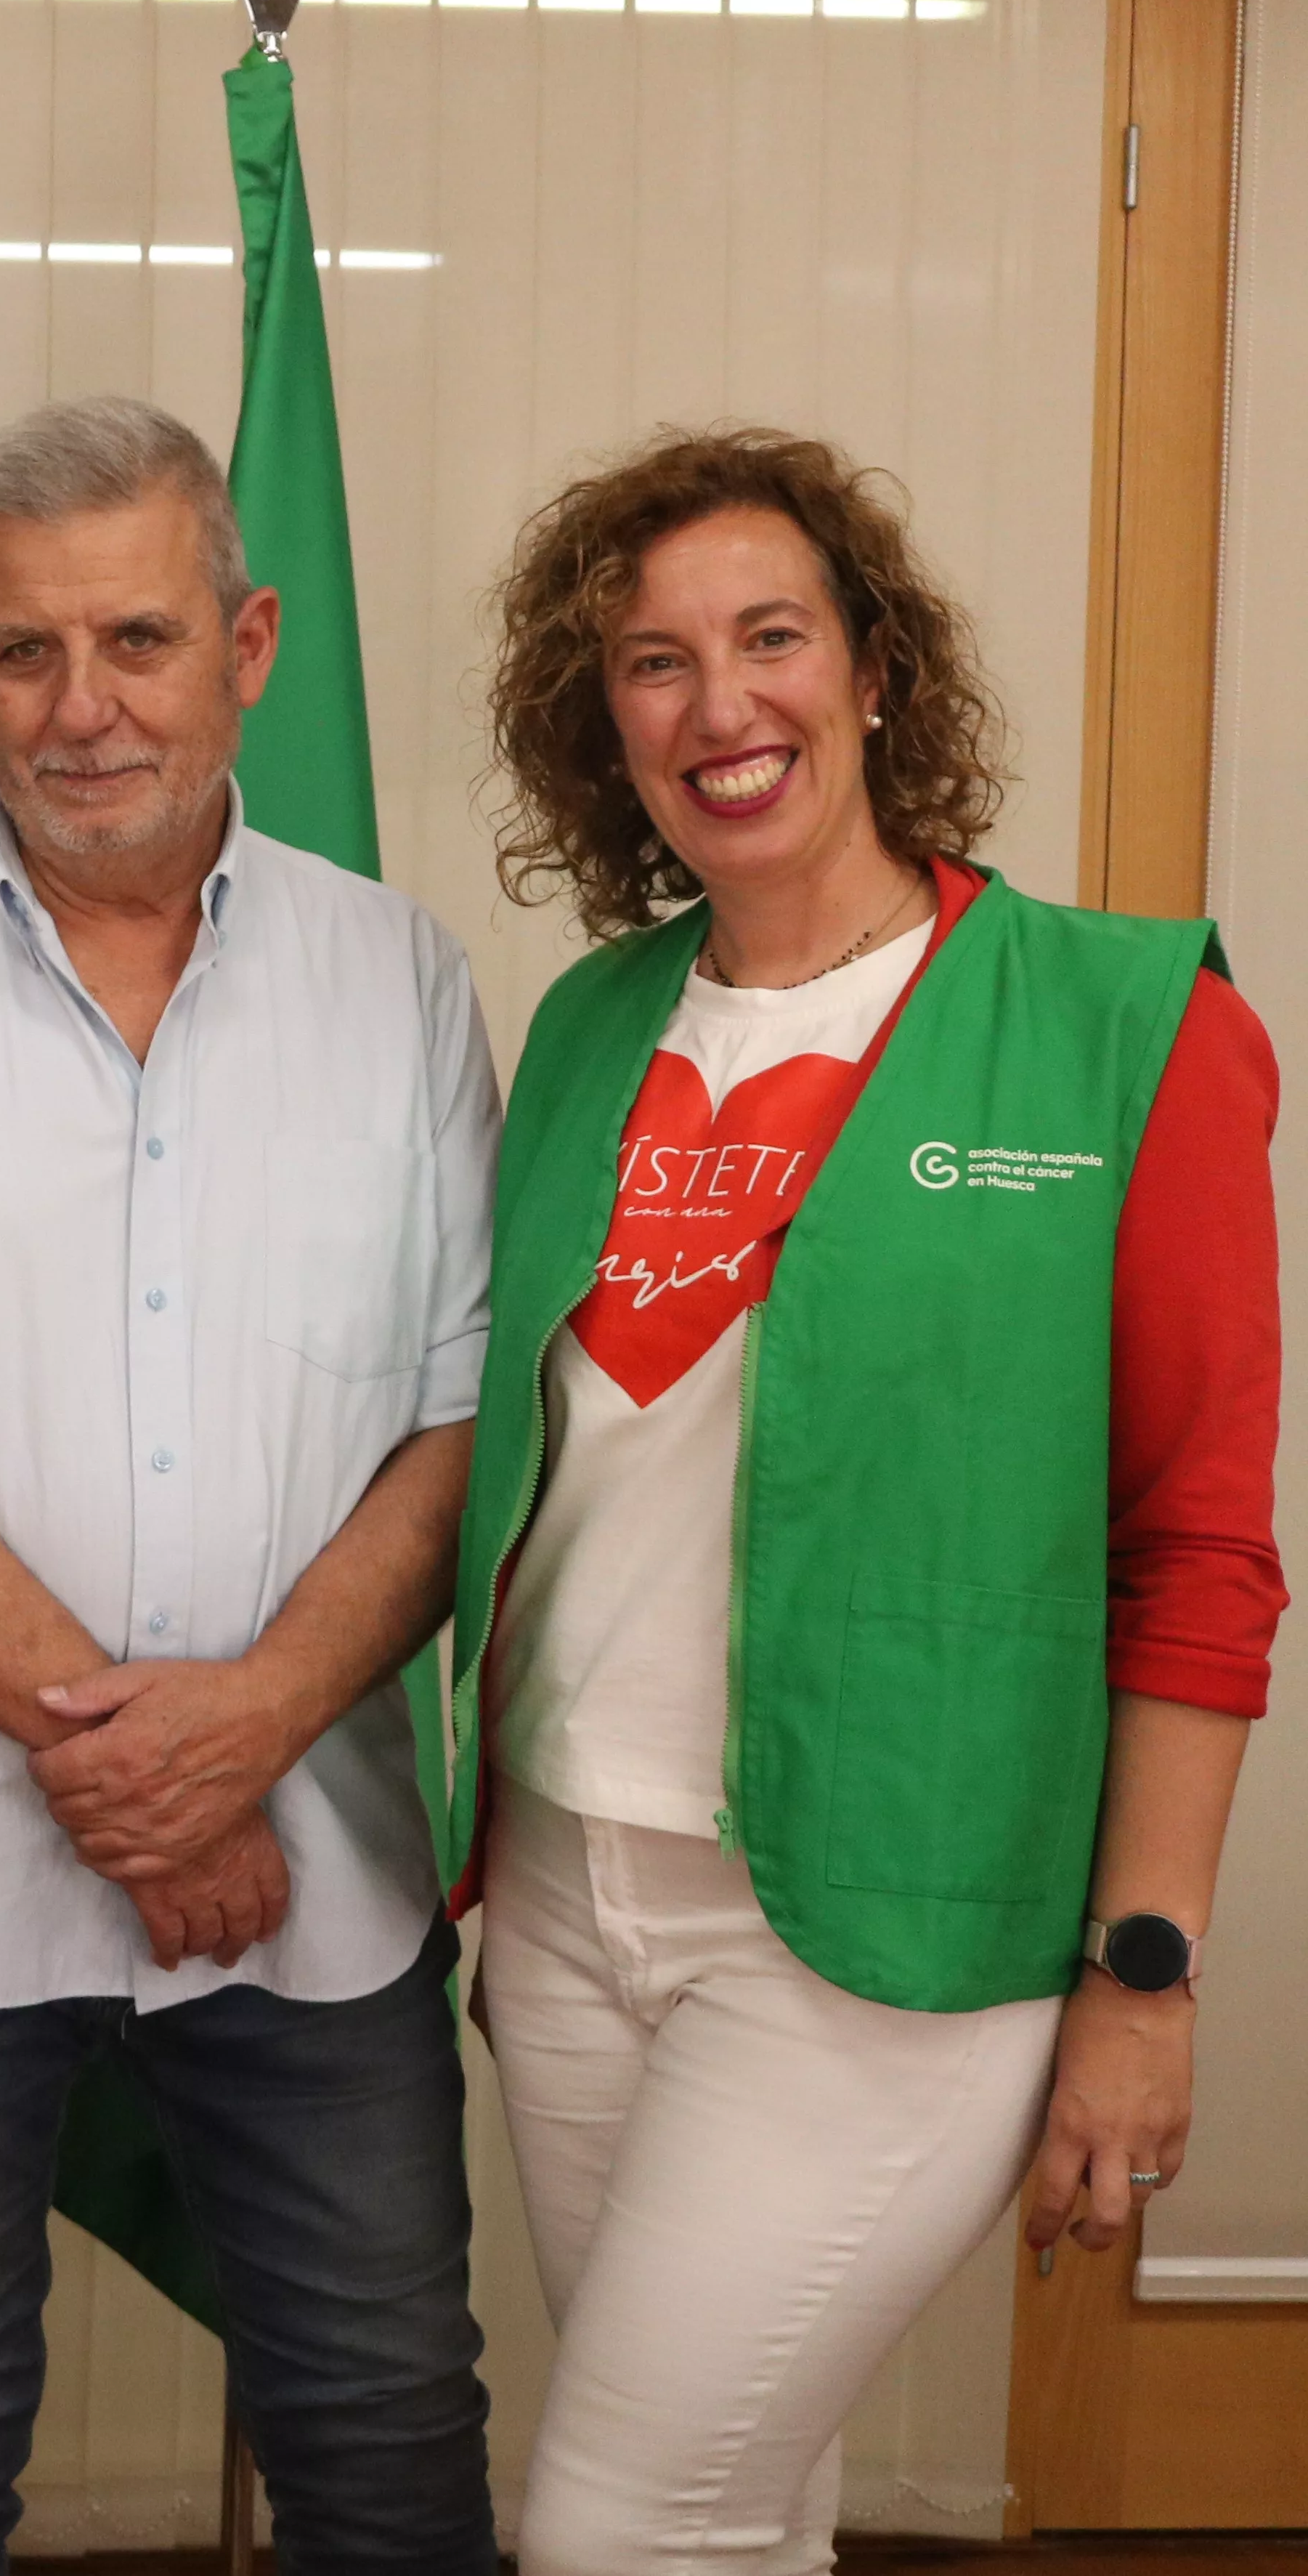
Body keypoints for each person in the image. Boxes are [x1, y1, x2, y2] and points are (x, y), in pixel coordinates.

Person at [455, 427, 1279, 2576]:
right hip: (562, 1895)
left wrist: (1143, 1974)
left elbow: (1195, 1545)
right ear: (601, 725)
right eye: (650, 663)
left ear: (874, 671)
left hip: (880, 1927)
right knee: (739, 2499)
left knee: (618, 2524)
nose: (718, 706)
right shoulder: (585, 1030)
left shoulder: (1118, 1026)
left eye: (767, 638)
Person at [0, 395, 500, 2576]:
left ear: (245, 641)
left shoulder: (398, 980)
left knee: (386, 2449)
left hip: (308, 1885)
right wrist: (143, 1769)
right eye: (25, 653)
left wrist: (239, 1741)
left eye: (137, 640)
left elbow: (458, 1429)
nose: (82, 709)